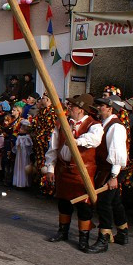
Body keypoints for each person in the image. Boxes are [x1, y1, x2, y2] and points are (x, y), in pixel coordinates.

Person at [45, 94, 103, 251]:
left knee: (84, 205)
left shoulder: (94, 125)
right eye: (70, 105)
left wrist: (76, 141)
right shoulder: (62, 124)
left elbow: (95, 139)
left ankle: (83, 238)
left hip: (82, 171)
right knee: (63, 202)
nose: (69, 108)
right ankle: (62, 232)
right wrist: (50, 167)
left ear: (82, 110)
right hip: (63, 169)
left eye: (74, 106)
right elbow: (53, 147)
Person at [86, 96, 129, 253]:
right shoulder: (104, 124)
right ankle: (123, 233)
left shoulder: (116, 127)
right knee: (115, 201)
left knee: (104, 203)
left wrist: (114, 176)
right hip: (107, 169)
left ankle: (104, 237)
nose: (99, 108)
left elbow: (118, 153)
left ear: (110, 109)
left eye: (102, 106)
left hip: (112, 170)